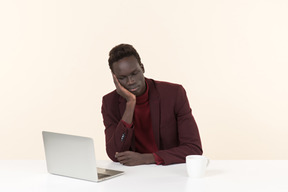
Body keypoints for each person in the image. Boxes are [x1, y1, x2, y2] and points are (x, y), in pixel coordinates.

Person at [101, 44, 202, 166]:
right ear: (115, 78)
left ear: (142, 68)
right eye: (122, 78)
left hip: (169, 171)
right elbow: (114, 154)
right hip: (133, 175)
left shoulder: (173, 94)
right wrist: (130, 103)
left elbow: (194, 149)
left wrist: (147, 158)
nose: (130, 81)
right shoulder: (109, 102)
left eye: (134, 73)